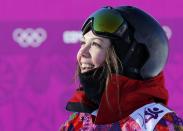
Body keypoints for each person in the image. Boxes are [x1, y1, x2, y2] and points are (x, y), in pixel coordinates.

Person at [60, 6, 183, 131]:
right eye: (83, 43)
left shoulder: (159, 123)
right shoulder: (78, 122)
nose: (82, 53)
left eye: (96, 44)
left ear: (129, 57)